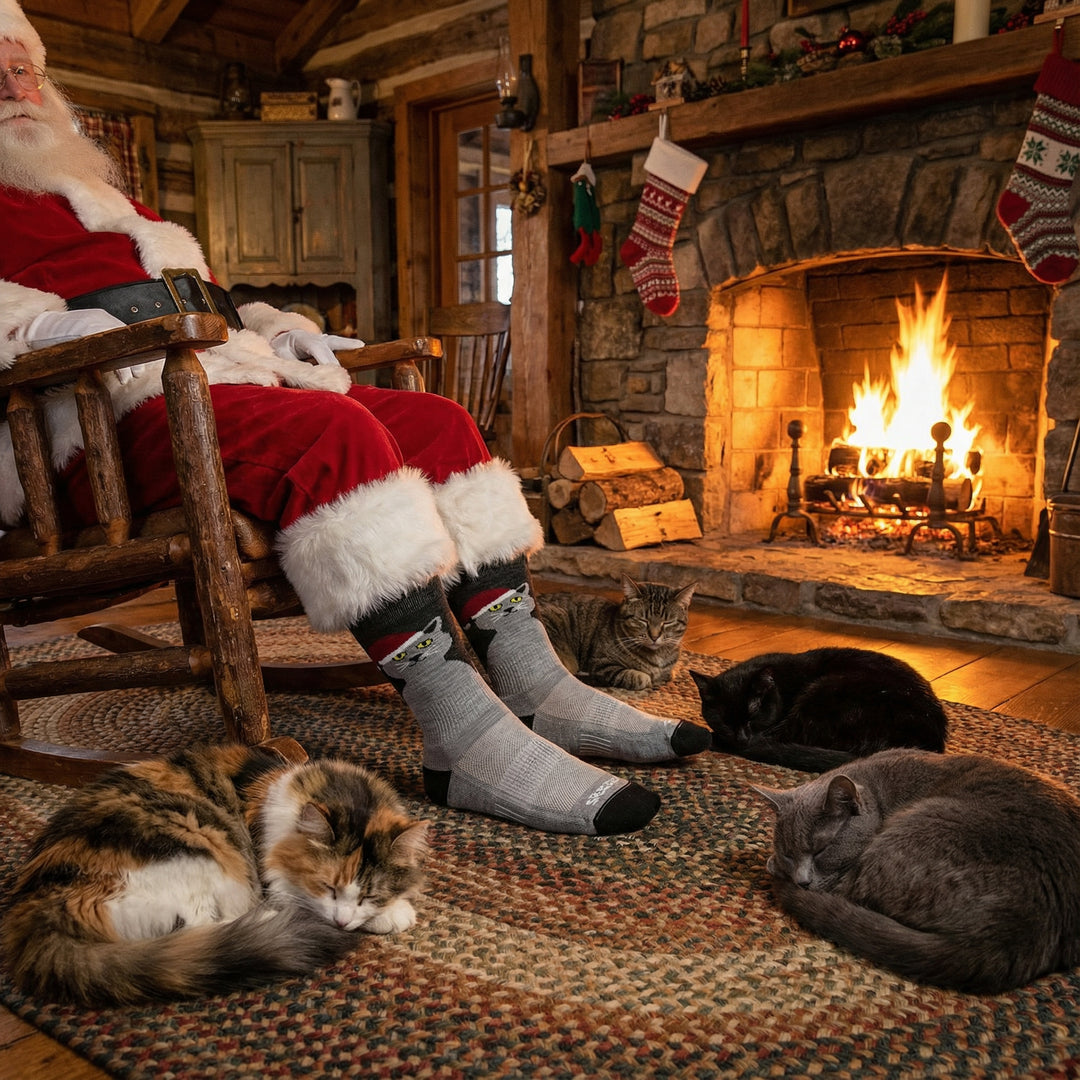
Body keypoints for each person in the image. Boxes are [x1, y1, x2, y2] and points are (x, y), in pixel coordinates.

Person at [0, 0, 709, 835]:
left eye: (25, 67)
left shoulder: (105, 201)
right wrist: (82, 332)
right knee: (334, 439)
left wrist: (280, 331)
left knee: (438, 422)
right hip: (105, 424)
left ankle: (535, 685)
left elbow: (207, 304)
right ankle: (467, 740)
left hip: (213, 381)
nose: (16, 85)